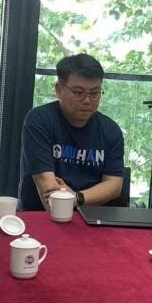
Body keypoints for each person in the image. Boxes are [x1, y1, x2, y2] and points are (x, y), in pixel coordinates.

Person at [19, 53, 125, 211]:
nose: (87, 100)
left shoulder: (110, 130)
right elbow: (50, 195)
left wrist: (77, 198)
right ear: (59, 90)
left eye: (94, 93)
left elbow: (114, 185)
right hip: (42, 214)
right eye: (78, 93)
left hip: (93, 214)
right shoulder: (39, 120)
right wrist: (67, 198)